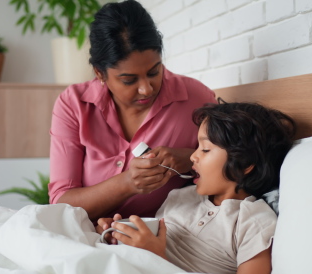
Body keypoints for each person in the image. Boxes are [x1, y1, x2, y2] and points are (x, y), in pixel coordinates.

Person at [48, 0, 217, 221]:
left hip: (162, 238)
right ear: (100, 73)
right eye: (129, 80)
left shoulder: (196, 99)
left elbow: (232, 166)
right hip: (86, 234)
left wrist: (190, 158)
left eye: (154, 72)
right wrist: (126, 183)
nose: (146, 89)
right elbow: (61, 203)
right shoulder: (74, 105)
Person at [96, 101, 297, 274]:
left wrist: (157, 260)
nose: (192, 156)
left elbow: (153, 253)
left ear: (244, 164)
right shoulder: (180, 196)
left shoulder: (252, 222)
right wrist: (118, 233)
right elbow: (147, 242)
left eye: (205, 149)